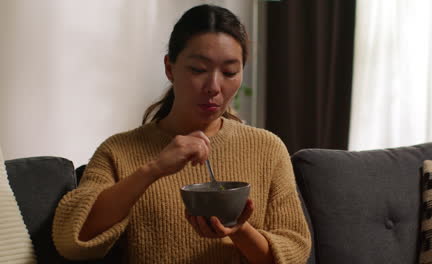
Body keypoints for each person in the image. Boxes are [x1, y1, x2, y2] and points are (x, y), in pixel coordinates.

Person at [52, 4, 311, 264]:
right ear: (169, 68)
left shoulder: (267, 148)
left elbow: (295, 252)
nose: (213, 87)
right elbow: (71, 240)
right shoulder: (117, 151)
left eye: (230, 72)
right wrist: (154, 168)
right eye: (198, 70)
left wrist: (239, 230)